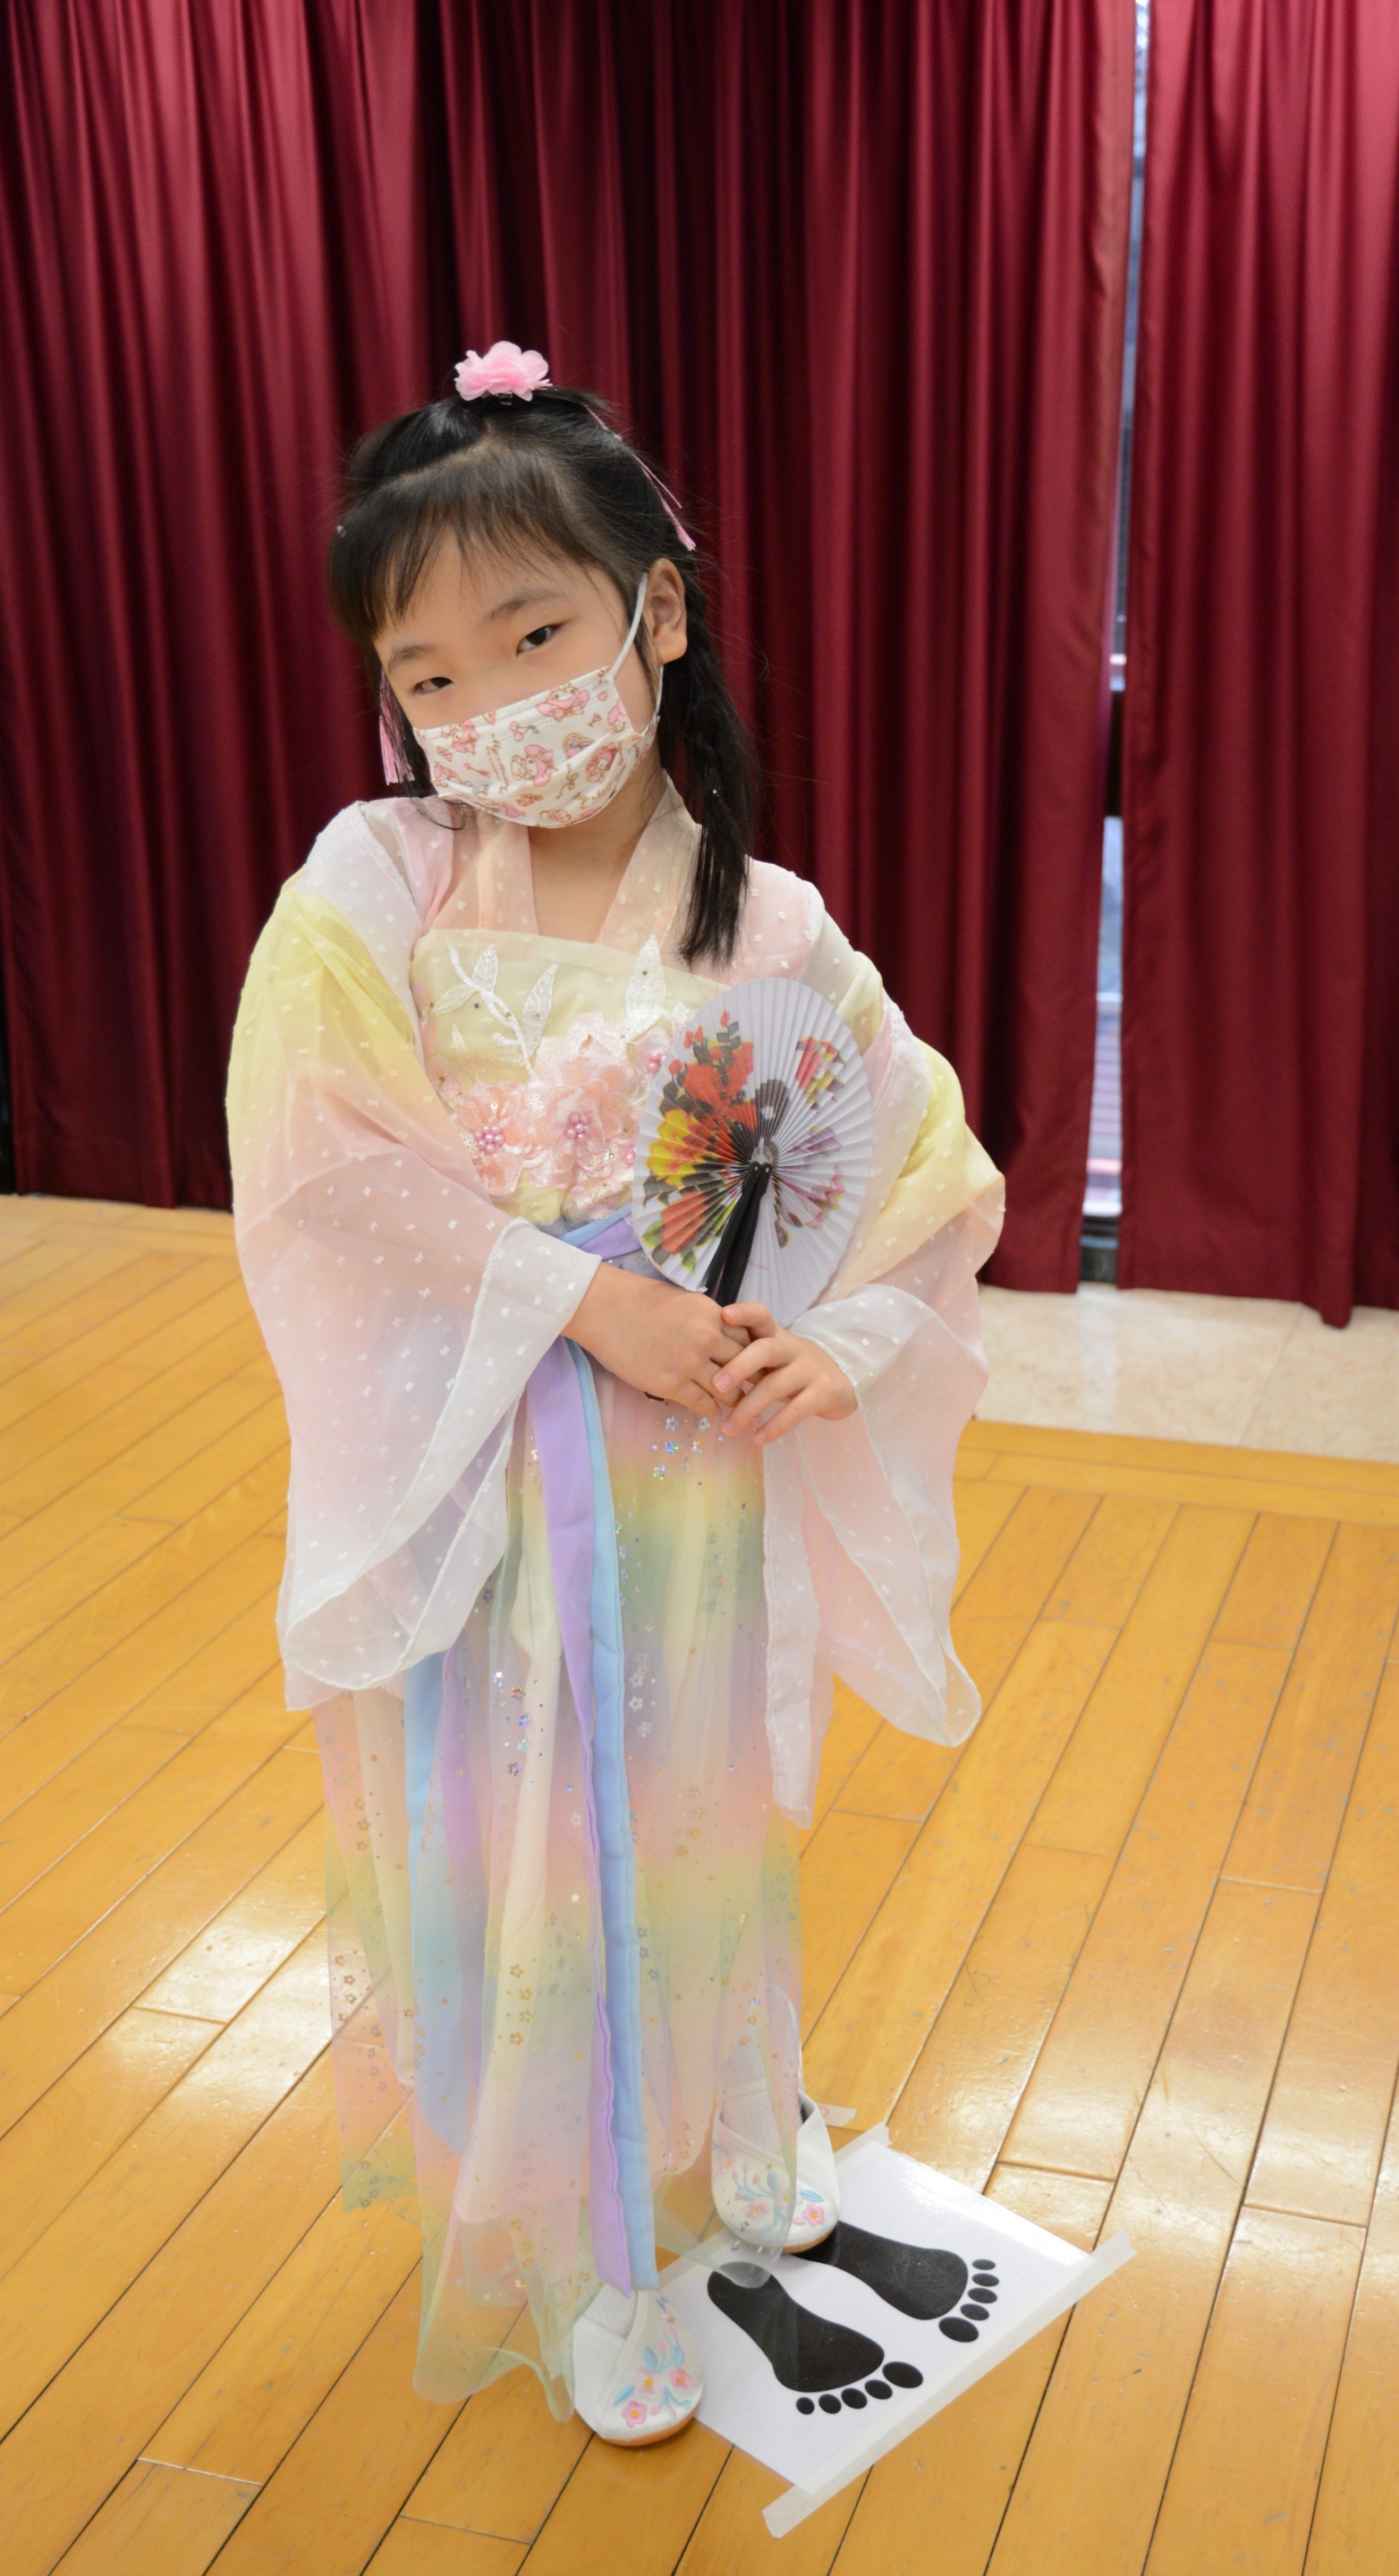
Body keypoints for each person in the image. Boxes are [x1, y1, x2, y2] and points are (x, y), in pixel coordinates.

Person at [226, 344, 1002, 2445]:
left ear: (657, 611)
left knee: (697, 1796)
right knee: (528, 1834)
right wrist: (583, 1301)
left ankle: (741, 2109)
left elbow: (921, 1163)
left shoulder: (773, 923)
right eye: (431, 676)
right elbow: (319, 1164)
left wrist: (831, 1343)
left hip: (694, 1469)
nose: (489, 709)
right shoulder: (380, 882)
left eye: (533, 638)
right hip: (488, 1462)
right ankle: (581, 2241)